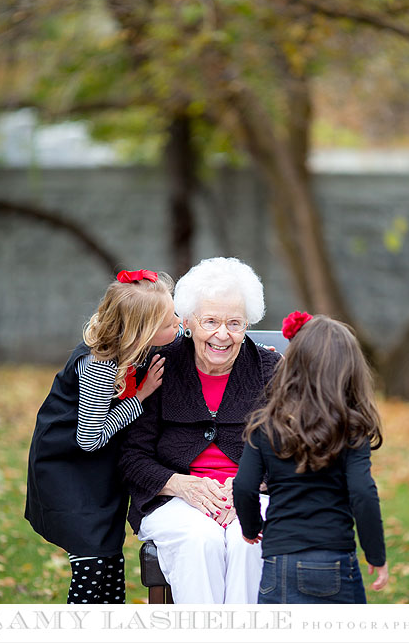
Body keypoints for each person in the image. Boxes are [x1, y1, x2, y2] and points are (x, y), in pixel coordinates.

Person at [119, 257, 280, 604]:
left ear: (247, 323)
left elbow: (293, 450)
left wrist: (251, 485)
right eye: (211, 321)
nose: (222, 334)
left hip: (256, 495)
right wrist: (180, 485)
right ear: (189, 321)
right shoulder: (160, 366)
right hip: (172, 497)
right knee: (199, 540)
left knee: (249, 539)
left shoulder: (270, 369)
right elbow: (131, 456)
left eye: (234, 323)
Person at [25, 269, 179, 604]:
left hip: (97, 473)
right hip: (69, 471)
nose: (178, 325)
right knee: (92, 566)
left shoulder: (132, 346)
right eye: (170, 322)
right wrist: (141, 398)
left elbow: (188, 340)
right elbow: (90, 439)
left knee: (110, 564)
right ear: (144, 332)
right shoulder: (99, 365)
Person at [234, 312, 388, 603]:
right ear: (349, 371)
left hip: (277, 562)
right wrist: (375, 554)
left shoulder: (265, 424)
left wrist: (251, 527)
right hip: (334, 560)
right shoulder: (351, 429)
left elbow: (243, 486)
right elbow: (363, 493)